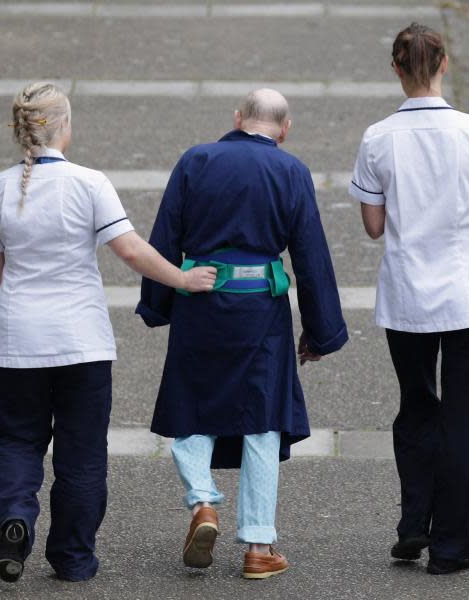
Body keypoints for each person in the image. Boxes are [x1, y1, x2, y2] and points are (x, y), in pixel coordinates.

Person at [0, 82, 216, 584]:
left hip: (18, 342)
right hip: (81, 343)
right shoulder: (88, 183)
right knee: (81, 454)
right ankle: (73, 558)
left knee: (16, 442)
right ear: (64, 126)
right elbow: (129, 250)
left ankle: (16, 518)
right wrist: (183, 279)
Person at [136, 88, 347, 580]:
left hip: (200, 300)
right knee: (262, 419)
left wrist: (156, 304)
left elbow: (165, 234)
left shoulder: (196, 160)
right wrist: (320, 332)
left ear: (237, 119)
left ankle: (204, 502)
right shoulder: (291, 171)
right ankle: (257, 546)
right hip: (261, 312)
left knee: (192, 405)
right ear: (285, 128)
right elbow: (311, 255)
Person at [349, 23, 469, 575]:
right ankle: (453, 545)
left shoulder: (378, 138)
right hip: (468, 295)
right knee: (466, 417)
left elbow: (374, 225)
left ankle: (414, 522)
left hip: (407, 295)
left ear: (396, 69)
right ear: (445, 63)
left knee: (417, 406)